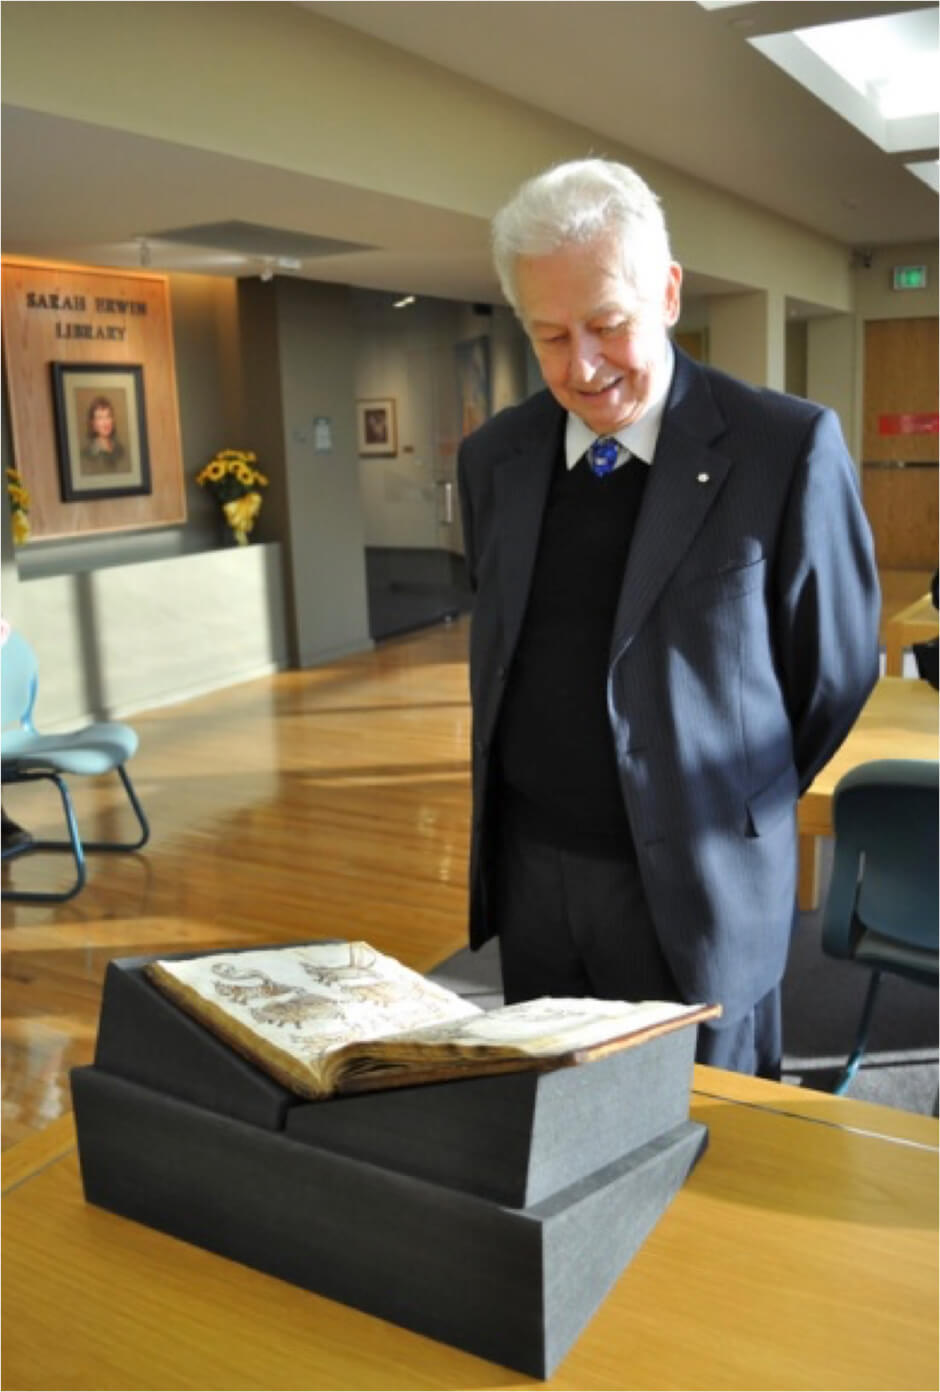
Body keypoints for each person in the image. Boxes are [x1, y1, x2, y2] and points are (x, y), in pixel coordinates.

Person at [457, 158, 880, 1078]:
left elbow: (837, 673)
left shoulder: (784, 447)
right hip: (535, 875)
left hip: (700, 886)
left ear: (670, 292)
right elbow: (501, 640)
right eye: (551, 335)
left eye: (608, 325)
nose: (583, 366)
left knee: (712, 1140)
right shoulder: (497, 455)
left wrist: (727, 799)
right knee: (560, 1118)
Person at [80, 396, 126, 473]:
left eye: (108, 416)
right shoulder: (88, 454)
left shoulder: (120, 450)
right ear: (93, 424)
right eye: (100, 418)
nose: (105, 422)